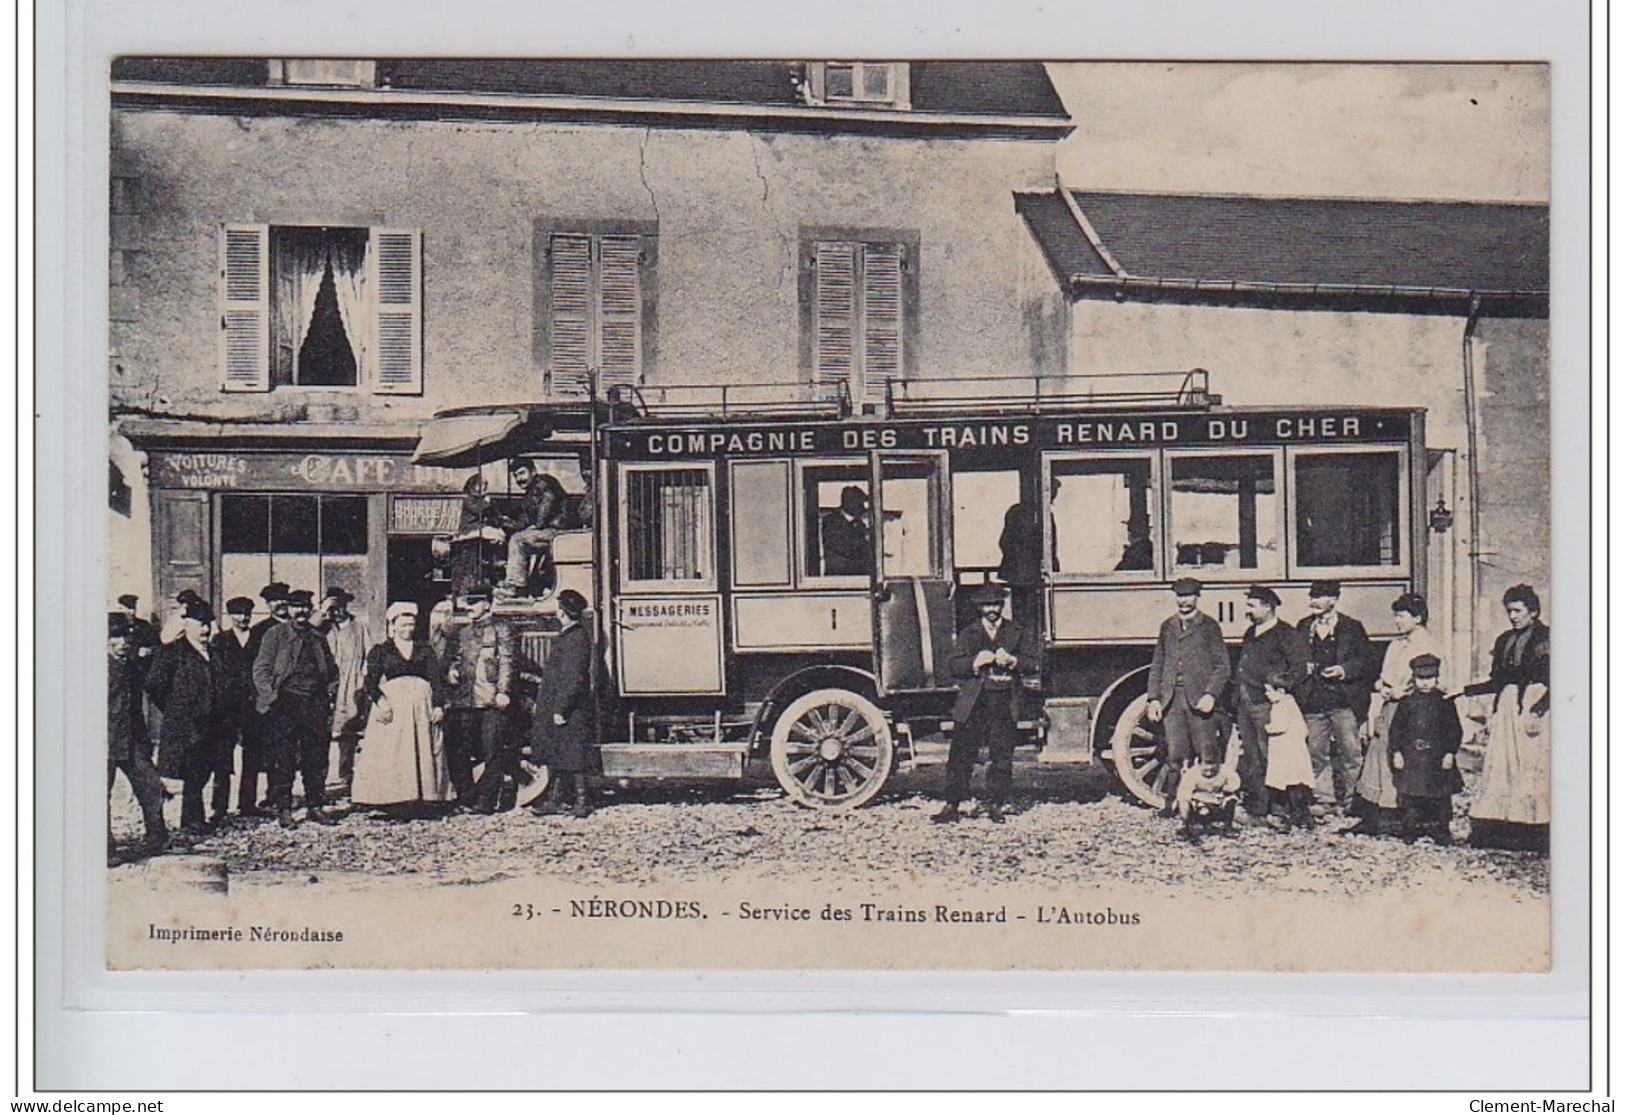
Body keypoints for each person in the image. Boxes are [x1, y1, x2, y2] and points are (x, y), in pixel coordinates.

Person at [933, 584, 1040, 825]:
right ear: (979, 608)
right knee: (961, 753)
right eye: (986, 605)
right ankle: (952, 804)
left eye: (996, 604)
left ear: (1002, 606)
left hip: (1003, 700)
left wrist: (1013, 660)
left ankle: (996, 804)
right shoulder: (968, 633)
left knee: (1001, 755)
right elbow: (953, 666)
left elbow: (1033, 661)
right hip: (974, 701)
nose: (992, 610)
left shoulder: (1016, 631)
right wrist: (974, 662)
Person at [1462, 584, 1550, 852]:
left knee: (1530, 767)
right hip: (1508, 708)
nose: (1513, 616)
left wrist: (1537, 710)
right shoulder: (1504, 640)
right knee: (1503, 767)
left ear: (1532, 611)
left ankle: (1535, 831)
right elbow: (1497, 680)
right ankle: (1502, 828)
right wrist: (1464, 691)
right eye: (1509, 611)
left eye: (1518, 611)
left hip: (1535, 705)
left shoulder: (1545, 639)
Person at [1348, 593, 1442, 837]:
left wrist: (1404, 691)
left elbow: (1428, 680)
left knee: (1404, 759)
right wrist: (1383, 687)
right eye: (1396, 616)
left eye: (1401, 616)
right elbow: (1384, 676)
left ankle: (1406, 818)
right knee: (1380, 756)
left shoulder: (1427, 645)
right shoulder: (1396, 644)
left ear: (1418, 618)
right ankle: (1377, 817)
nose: (1396, 621)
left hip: (1414, 711)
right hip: (1390, 706)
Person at [352, 602, 450, 815]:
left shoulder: (424, 649)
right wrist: (380, 702)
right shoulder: (381, 650)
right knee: (393, 751)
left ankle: (423, 798)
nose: (407, 629)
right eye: (403, 625)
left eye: (411, 625)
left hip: (421, 704)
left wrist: (438, 705)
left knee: (422, 748)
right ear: (393, 626)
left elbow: (436, 679)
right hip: (394, 704)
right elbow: (370, 681)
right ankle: (392, 800)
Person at [145, 597, 232, 833]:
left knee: (202, 772)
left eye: (207, 624)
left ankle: (193, 819)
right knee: (190, 772)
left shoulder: (214, 653)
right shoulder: (173, 653)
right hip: (187, 725)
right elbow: (154, 686)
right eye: (199, 624)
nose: (204, 629)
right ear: (187, 626)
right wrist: (177, 708)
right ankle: (189, 822)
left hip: (212, 725)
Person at [254, 588, 338, 828]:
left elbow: (331, 670)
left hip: (315, 704)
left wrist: (330, 694)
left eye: (305, 606)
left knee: (317, 756)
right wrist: (271, 700)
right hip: (286, 703)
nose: (301, 611)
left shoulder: (317, 636)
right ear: (289, 609)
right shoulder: (275, 634)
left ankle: (315, 806)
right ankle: (284, 808)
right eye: (296, 606)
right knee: (284, 758)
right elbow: (261, 671)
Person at [1145, 577, 1230, 813]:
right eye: (1180, 596)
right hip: (1172, 700)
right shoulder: (1167, 626)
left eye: (1188, 595)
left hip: (1199, 701)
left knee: (1207, 753)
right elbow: (1158, 664)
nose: (1184, 601)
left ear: (1197, 597)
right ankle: (1172, 803)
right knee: (1175, 755)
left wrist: (1211, 695)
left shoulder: (1209, 626)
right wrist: (1154, 698)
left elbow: (1222, 666)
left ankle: (1208, 804)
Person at [1296, 580, 1375, 814]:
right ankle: (1324, 799)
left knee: (1351, 753)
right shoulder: (1303, 626)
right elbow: (1294, 658)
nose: (1314, 601)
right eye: (1312, 597)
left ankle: (1354, 800)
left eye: (1319, 597)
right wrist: (1304, 667)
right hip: (1313, 702)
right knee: (1315, 752)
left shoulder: (1352, 627)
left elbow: (1367, 661)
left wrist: (1344, 670)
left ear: (1334, 599)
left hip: (1343, 701)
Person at [1232, 585, 1307, 819]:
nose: (1248, 610)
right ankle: (1259, 805)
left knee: (1273, 756)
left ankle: (1281, 807)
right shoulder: (1250, 632)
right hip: (1245, 703)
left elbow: (1299, 669)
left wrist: (1280, 692)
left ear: (1268, 607)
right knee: (1252, 756)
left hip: (1267, 705)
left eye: (1252, 606)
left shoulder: (1287, 634)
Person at [443, 586, 517, 813]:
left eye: (474, 602)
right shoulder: (463, 632)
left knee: (492, 751)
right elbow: (455, 658)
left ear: (487, 603)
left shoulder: (501, 629)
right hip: (465, 700)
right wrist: (452, 670)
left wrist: (503, 691)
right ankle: (467, 797)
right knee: (459, 750)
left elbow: (507, 662)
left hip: (490, 700)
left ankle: (486, 801)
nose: (469, 607)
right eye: (468, 602)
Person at [530, 590, 596, 818]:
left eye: (559, 608)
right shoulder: (571, 636)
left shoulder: (576, 639)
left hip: (570, 708)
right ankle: (556, 799)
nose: (557, 611)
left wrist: (561, 709)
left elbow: (573, 678)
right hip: (563, 705)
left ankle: (582, 802)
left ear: (564, 612)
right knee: (561, 753)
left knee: (573, 756)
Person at [107, 612, 167, 863]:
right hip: (102, 742)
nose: (123, 643)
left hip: (132, 740)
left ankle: (157, 836)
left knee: (150, 785)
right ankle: (104, 848)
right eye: (115, 638)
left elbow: (135, 708)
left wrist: (143, 742)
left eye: (126, 638)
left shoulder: (131, 666)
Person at [1388, 654, 1463, 845]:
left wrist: (1450, 753)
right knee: (1411, 796)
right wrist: (1397, 752)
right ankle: (1410, 829)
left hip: (1436, 757)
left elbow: (1454, 729)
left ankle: (1442, 830)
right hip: (1413, 756)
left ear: (1437, 678)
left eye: (1429, 678)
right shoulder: (1407, 702)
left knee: (1441, 796)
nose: (1425, 683)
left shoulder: (1445, 701)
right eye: (1421, 679)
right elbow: (1396, 729)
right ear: (1414, 679)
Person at [235, 582, 290, 816]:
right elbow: (253, 667)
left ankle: (275, 797)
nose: (279, 605)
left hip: (286, 702)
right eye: (273, 601)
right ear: (268, 606)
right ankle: (246, 802)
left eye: (282, 600)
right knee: (253, 753)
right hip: (259, 702)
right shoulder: (259, 631)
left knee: (280, 751)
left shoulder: (294, 628)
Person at [209, 596, 259, 820]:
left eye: (247, 613)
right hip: (227, 708)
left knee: (252, 756)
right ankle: (219, 807)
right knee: (223, 757)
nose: (243, 618)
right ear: (230, 616)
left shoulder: (258, 639)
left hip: (252, 706)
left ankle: (247, 804)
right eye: (238, 614)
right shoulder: (219, 641)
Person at [320, 586, 372, 795]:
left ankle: (346, 777)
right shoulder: (323, 629)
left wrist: (363, 683)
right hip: (328, 687)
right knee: (323, 733)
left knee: (348, 733)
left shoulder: (359, 627)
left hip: (351, 685)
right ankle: (320, 781)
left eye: (340, 607)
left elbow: (369, 657)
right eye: (333, 608)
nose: (337, 612)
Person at [497, 458, 569, 599]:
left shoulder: (544, 484)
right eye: (516, 476)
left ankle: (516, 585)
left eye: (522, 473)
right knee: (516, 537)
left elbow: (546, 506)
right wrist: (505, 523)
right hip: (547, 531)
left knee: (518, 540)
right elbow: (524, 520)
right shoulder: (530, 492)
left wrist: (535, 526)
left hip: (557, 532)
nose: (519, 479)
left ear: (533, 471)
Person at [1262, 671, 1315, 829]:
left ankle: (1295, 815)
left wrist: (1267, 728)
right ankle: (1300, 816)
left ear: (1281, 691)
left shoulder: (1282, 705)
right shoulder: (1288, 703)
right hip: (1291, 748)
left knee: (1290, 780)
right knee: (1294, 781)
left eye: (1269, 690)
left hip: (1287, 750)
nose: (1266, 694)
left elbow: (1280, 726)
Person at [996, 485, 1046, 631]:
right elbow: (1005, 542)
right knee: (1027, 615)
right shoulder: (1022, 514)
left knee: (1026, 616)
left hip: (1023, 575)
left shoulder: (1037, 513)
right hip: (1025, 576)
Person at [1174, 751, 1242, 845]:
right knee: (1184, 804)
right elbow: (1183, 795)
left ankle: (1228, 826)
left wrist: (1228, 788)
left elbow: (1235, 781)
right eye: (1205, 770)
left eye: (1213, 770)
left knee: (1232, 800)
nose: (1209, 773)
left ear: (1218, 765)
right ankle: (1186, 828)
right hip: (1198, 801)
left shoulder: (1225, 770)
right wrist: (1186, 810)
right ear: (1199, 764)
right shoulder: (1191, 774)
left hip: (1218, 799)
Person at [820, 485, 872, 577]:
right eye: (860, 504)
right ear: (850, 503)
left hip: (860, 576)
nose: (863, 508)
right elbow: (842, 547)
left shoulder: (859, 524)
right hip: (840, 577)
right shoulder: (831, 521)